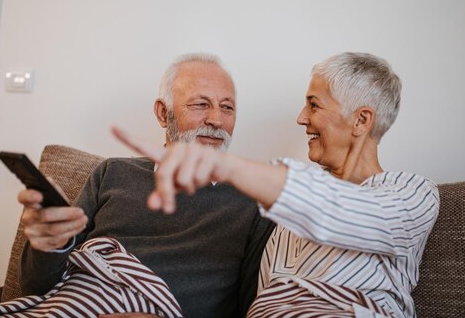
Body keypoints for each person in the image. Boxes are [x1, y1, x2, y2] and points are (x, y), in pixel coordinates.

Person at [112, 52, 440, 318]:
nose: (301, 118)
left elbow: (347, 213)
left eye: (314, 105)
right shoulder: (278, 217)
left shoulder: (411, 192)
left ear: (361, 120)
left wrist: (222, 164)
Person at [18, 53, 274, 318]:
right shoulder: (113, 172)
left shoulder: (253, 201)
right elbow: (34, 288)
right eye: (201, 104)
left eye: (227, 107)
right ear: (164, 114)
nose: (217, 120)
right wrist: (48, 243)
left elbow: (252, 311)